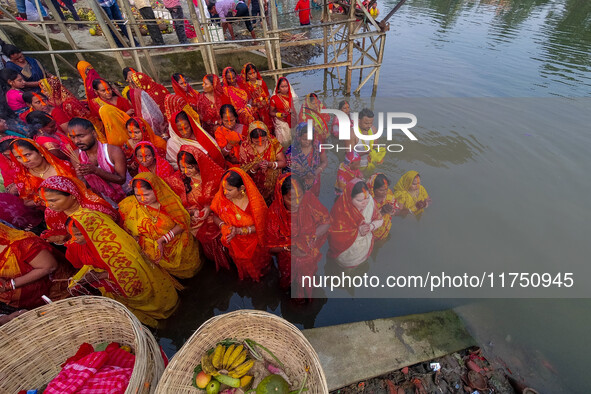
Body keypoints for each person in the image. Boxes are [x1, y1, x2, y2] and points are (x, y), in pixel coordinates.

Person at [64, 212, 179, 328]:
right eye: (71, 235)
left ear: (93, 231)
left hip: (140, 283)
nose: (74, 239)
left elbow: (131, 270)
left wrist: (99, 276)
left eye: (78, 234)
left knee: (164, 306)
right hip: (116, 289)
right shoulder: (81, 245)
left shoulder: (114, 245)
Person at [119, 173, 202, 279]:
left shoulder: (168, 204)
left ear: (156, 189)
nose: (143, 199)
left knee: (192, 269)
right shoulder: (129, 206)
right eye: (138, 195)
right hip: (156, 252)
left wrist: (162, 240)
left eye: (146, 194)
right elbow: (129, 230)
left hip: (178, 245)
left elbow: (182, 223)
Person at [266, 174, 329, 296]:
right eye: (291, 199)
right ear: (281, 196)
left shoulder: (309, 199)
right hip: (287, 257)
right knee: (288, 280)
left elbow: (326, 221)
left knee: (307, 280)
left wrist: (312, 237)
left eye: (300, 196)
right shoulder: (274, 213)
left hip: (309, 252)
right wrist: (288, 248)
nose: (297, 203)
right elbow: (270, 246)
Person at [177, 145, 232, 271]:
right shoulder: (179, 182)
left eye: (190, 167)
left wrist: (210, 208)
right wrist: (193, 211)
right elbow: (178, 206)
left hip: (220, 219)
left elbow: (227, 195)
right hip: (199, 225)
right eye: (182, 167)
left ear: (199, 163)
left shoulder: (215, 176)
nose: (186, 171)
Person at [211, 168, 270, 281]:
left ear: (241, 188)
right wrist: (223, 226)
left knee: (260, 267)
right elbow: (215, 216)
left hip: (254, 245)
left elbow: (262, 226)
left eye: (229, 189)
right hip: (235, 244)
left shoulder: (255, 204)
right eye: (223, 188)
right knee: (242, 266)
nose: (224, 192)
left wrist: (239, 231)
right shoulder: (221, 199)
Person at [0, 223, 68, 312]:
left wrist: (9, 285)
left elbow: (49, 266)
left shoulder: (21, 244)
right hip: (30, 306)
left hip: (59, 294)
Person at [39, 175, 119, 245]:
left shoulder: (95, 209)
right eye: (44, 201)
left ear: (73, 194)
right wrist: (61, 239)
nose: (47, 205)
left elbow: (112, 234)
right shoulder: (51, 213)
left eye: (53, 200)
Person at [68, 118, 128, 204]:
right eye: (73, 137)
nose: (77, 141)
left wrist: (95, 170)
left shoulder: (113, 151)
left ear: (94, 134)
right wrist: (80, 175)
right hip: (104, 201)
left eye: (81, 136)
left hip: (126, 196)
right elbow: (85, 186)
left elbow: (121, 180)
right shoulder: (76, 156)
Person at [328, 179, 383, 268]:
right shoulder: (340, 210)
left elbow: (380, 220)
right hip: (346, 253)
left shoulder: (370, 203)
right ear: (349, 198)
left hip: (363, 248)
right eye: (359, 200)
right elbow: (334, 235)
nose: (365, 203)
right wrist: (357, 231)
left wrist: (371, 227)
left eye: (367, 198)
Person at [10, 138, 75, 206]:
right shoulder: (24, 178)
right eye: (18, 157)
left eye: (27, 155)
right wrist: (38, 201)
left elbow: (80, 188)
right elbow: (26, 202)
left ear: (40, 152)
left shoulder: (64, 167)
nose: (25, 160)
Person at [239, 121, 286, 203]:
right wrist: (255, 168)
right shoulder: (245, 147)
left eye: (263, 140)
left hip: (272, 185)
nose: (260, 143)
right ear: (250, 138)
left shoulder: (273, 142)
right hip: (254, 187)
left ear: (267, 135)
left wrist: (270, 164)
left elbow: (283, 162)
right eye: (256, 141)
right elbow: (243, 172)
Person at [289, 122, 328, 196]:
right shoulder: (292, 150)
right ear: (298, 137)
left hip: (314, 180)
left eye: (310, 139)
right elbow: (288, 170)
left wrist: (315, 173)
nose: (307, 142)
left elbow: (324, 162)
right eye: (304, 139)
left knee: (312, 201)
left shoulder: (317, 145)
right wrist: (304, 177)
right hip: (298, 182)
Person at [367, 173, 401, 240]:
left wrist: (391, 210)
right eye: (381, 190)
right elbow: (366, 221)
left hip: (384, 230)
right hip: (370, 235)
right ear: (372, 189)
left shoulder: (389, 193)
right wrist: (382, 212)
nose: (385, 192)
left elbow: (397, 211)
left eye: (386, 189)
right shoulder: (366, 201)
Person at [240, 63, 272, 131]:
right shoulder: (246, 86)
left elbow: (268, 96)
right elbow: (247, 101)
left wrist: (265, 102)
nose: (253, 75)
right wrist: (256, 104)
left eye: (254, 72)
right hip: (254, 112)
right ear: (246, 75)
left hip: (265, 110)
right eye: (250, 74)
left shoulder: (262, 83)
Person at [354, 108, 385, 173]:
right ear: (359, 121)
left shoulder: (373, 130)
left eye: (371, 123)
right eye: (366, 123)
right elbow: (348, 154)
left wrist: (379, 157)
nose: (369, 126)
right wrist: (365, 152)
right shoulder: (352, 133)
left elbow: (375, 147)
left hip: (370, 163)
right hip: (356, 166)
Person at [269, 77, 298, 147]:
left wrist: (292, 112)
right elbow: (271, 112)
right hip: (281, 123)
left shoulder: (293, 97)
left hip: (292, 121)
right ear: (278, 88)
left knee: (294, 140)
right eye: (282, 87)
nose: (285, 88)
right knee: (284, 143)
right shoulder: (274, 98)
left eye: (286, 86)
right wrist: (279, 114)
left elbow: (297, 109)